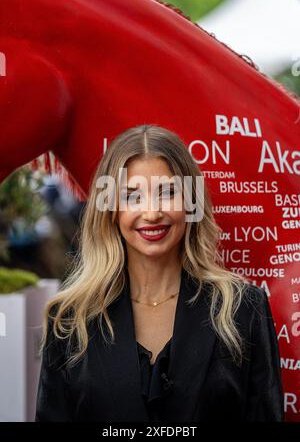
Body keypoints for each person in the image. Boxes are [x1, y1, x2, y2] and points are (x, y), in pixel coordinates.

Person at [35, 124, 284, 422]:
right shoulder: (69, 319)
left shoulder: (243, 308)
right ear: (111, 209)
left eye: (168, 193)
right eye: (132, 196)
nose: (151, 213)